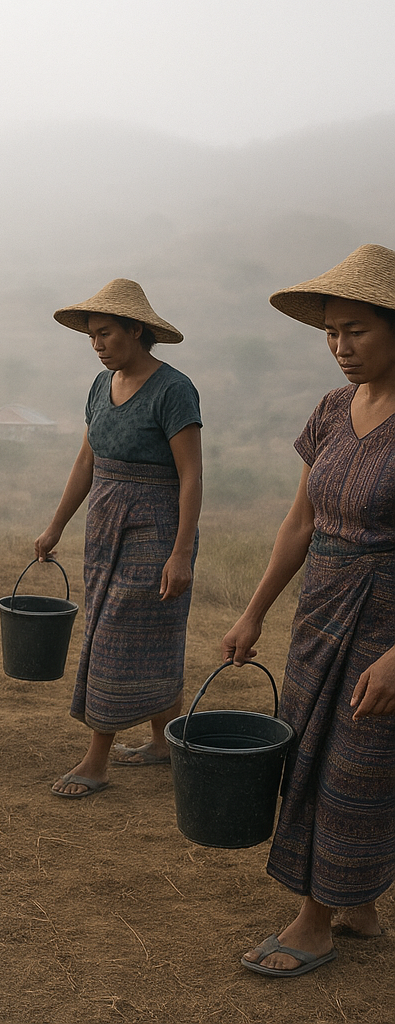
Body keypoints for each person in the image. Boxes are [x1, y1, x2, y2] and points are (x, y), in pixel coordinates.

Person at [222, 243, 395, 977]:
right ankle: (355, 902)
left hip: (385, 621)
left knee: (355, 765)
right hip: (319, 609)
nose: (340, 348)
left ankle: (314, 920)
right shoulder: (329, 410)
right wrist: (255, 610)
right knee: (309, 756)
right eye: (330, 332)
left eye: (356, 329)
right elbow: (300, 523)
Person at [34, 279, 202, 798]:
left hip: (156, 531)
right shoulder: (97, 388)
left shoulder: (174, 390)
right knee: (144, 638)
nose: (97, 344)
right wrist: (56, 524)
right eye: (91, 336)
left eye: (105, 333)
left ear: (136, 329)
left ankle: (96, 761)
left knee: (114, 637)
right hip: (105, 527)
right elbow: (87, 461)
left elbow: (192, 475)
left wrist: (179, 554)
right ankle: (161, 742)